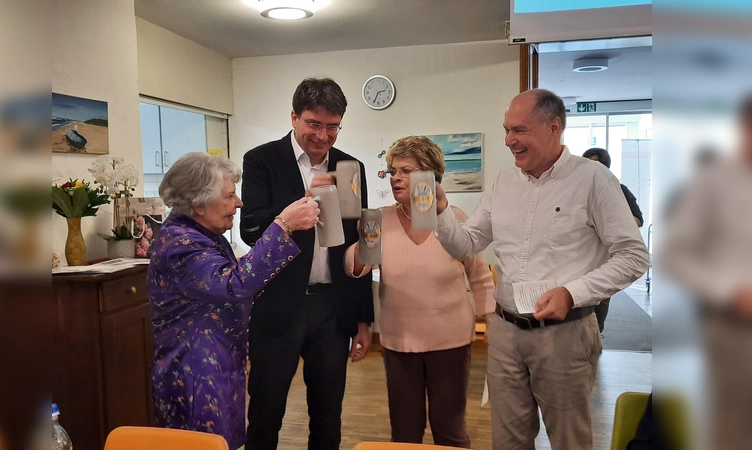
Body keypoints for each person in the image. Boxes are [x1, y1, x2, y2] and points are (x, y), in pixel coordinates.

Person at [433, 89, 649, 449]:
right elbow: (466, 243)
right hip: (505, 331)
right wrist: (441, 211)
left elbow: (633, 256)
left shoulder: (593, 179)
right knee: (508, 442)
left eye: (520, 130)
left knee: (569, 440)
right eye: (506, 130)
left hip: (565, 334)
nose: (509, 141)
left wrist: (572, 293)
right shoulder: (502, 183)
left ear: (554, 127)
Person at [147, 152, 320, 450]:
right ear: (199, 204)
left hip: (217, 364)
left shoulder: (202, 234)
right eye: (229, 196)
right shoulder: (182, 243)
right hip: (194, 372)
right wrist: (283, 226)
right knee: (205, 445)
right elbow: (233, 283)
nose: (239, 203)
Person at [240, 77, 374, 450]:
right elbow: (250, 230)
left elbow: (361, 245)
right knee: (265, 415)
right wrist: (290, 216)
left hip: (333, 307)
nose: (322, 135)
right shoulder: (262, 160)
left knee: (328, 417)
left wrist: (364, 319)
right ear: (294, 117)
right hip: (278, 305)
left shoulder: (349, 167)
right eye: (314, 124)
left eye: (333, 126)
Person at [343, 136, 495, 447]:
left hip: (450, 342)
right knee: (404, 432)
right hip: (399, 341)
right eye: (393, 171)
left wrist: (492, 322)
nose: (396, 178)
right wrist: (362, 245)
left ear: (430, 176)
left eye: (406, 171)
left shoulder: (454, 218)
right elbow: (357, 270)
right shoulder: (379, 218)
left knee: (449, 430)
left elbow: (480, 276)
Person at [659, 95, 752, 449]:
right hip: (735, 327)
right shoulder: (714, 182)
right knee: (733, 430)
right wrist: (730, 292)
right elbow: (674, 255)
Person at [582, 147, 644, 334]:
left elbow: (637, 219)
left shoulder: (618, 189)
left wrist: (610, 220)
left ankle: (595, 336)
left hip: (604, 259)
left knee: (598, 306)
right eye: (587, 163)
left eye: (596, 164)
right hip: (577, 258)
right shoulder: (575, 191)